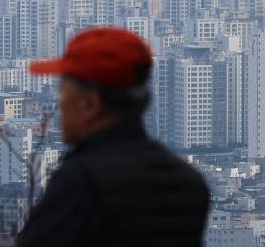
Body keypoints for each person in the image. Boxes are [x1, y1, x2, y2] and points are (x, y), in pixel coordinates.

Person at [16, 27, 210, 246]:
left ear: (90, 105)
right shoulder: (189, 182)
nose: (59, 103)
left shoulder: (82, 181)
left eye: (63, 92)